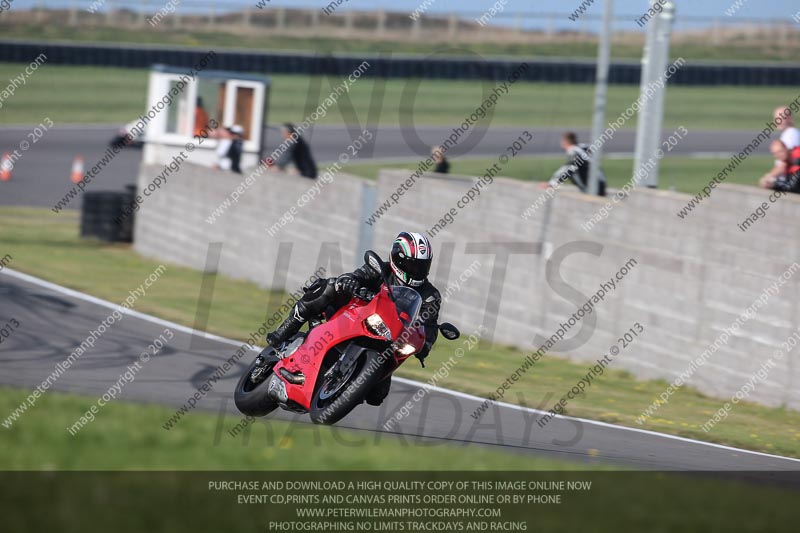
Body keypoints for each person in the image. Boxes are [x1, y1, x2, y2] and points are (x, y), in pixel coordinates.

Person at [266, 232, 442, 406]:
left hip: (389, 340)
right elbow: (356, 276)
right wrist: (350, 282)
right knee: (329, 286)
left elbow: (430, 325)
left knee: (377, 396)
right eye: (411, 265)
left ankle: (342, 389)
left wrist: (424, 344)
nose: (416, 271)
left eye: (421, 266)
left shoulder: (430, 295)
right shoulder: (380, 268)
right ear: (397, 258)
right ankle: (283, 332)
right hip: (354, 314)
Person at [542, 132, 606, 196]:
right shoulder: (584, 146)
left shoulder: (572, 151)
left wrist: (552, 184)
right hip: (601, 183)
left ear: (565, 141)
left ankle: (585, 190)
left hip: (592, 186)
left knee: (570, 169)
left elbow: (569, 168)